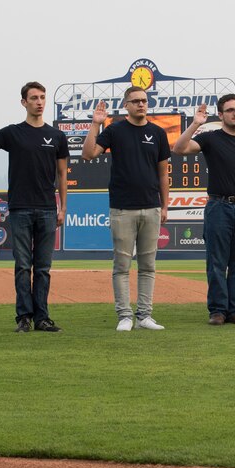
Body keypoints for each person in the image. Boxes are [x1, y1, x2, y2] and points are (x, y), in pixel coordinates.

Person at [0, 83, 69, 332]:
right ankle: (24, 317)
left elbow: (62, 175)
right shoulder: (13, 133)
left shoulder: (56, 136)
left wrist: (62, 207)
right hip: (20, 209)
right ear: (23, 102)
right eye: (34, 97)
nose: (39, 101)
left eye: (42, 97)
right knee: (23, 266)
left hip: (46, 209)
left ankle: (42, 318)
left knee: (43, 268)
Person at [84, 86, 172, 331]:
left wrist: (164, 205)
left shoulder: (157, 133)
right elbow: (88, 154)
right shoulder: (114, 130)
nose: (141, 105)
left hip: (152, 207)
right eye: (135, 101)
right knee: (122, 266)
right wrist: (95, 124)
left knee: (148, 266)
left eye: (144, 100)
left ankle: (144, 316)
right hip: (122, 208)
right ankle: (124, 315)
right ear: (126, 105)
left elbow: (163, 173)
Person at [174, 93, 235, 324]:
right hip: (219, 206)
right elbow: (179, 148)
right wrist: (195, 123)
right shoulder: (210, 138)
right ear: (221, 114)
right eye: (230, 110)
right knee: (217, 260)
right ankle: (217, 311)